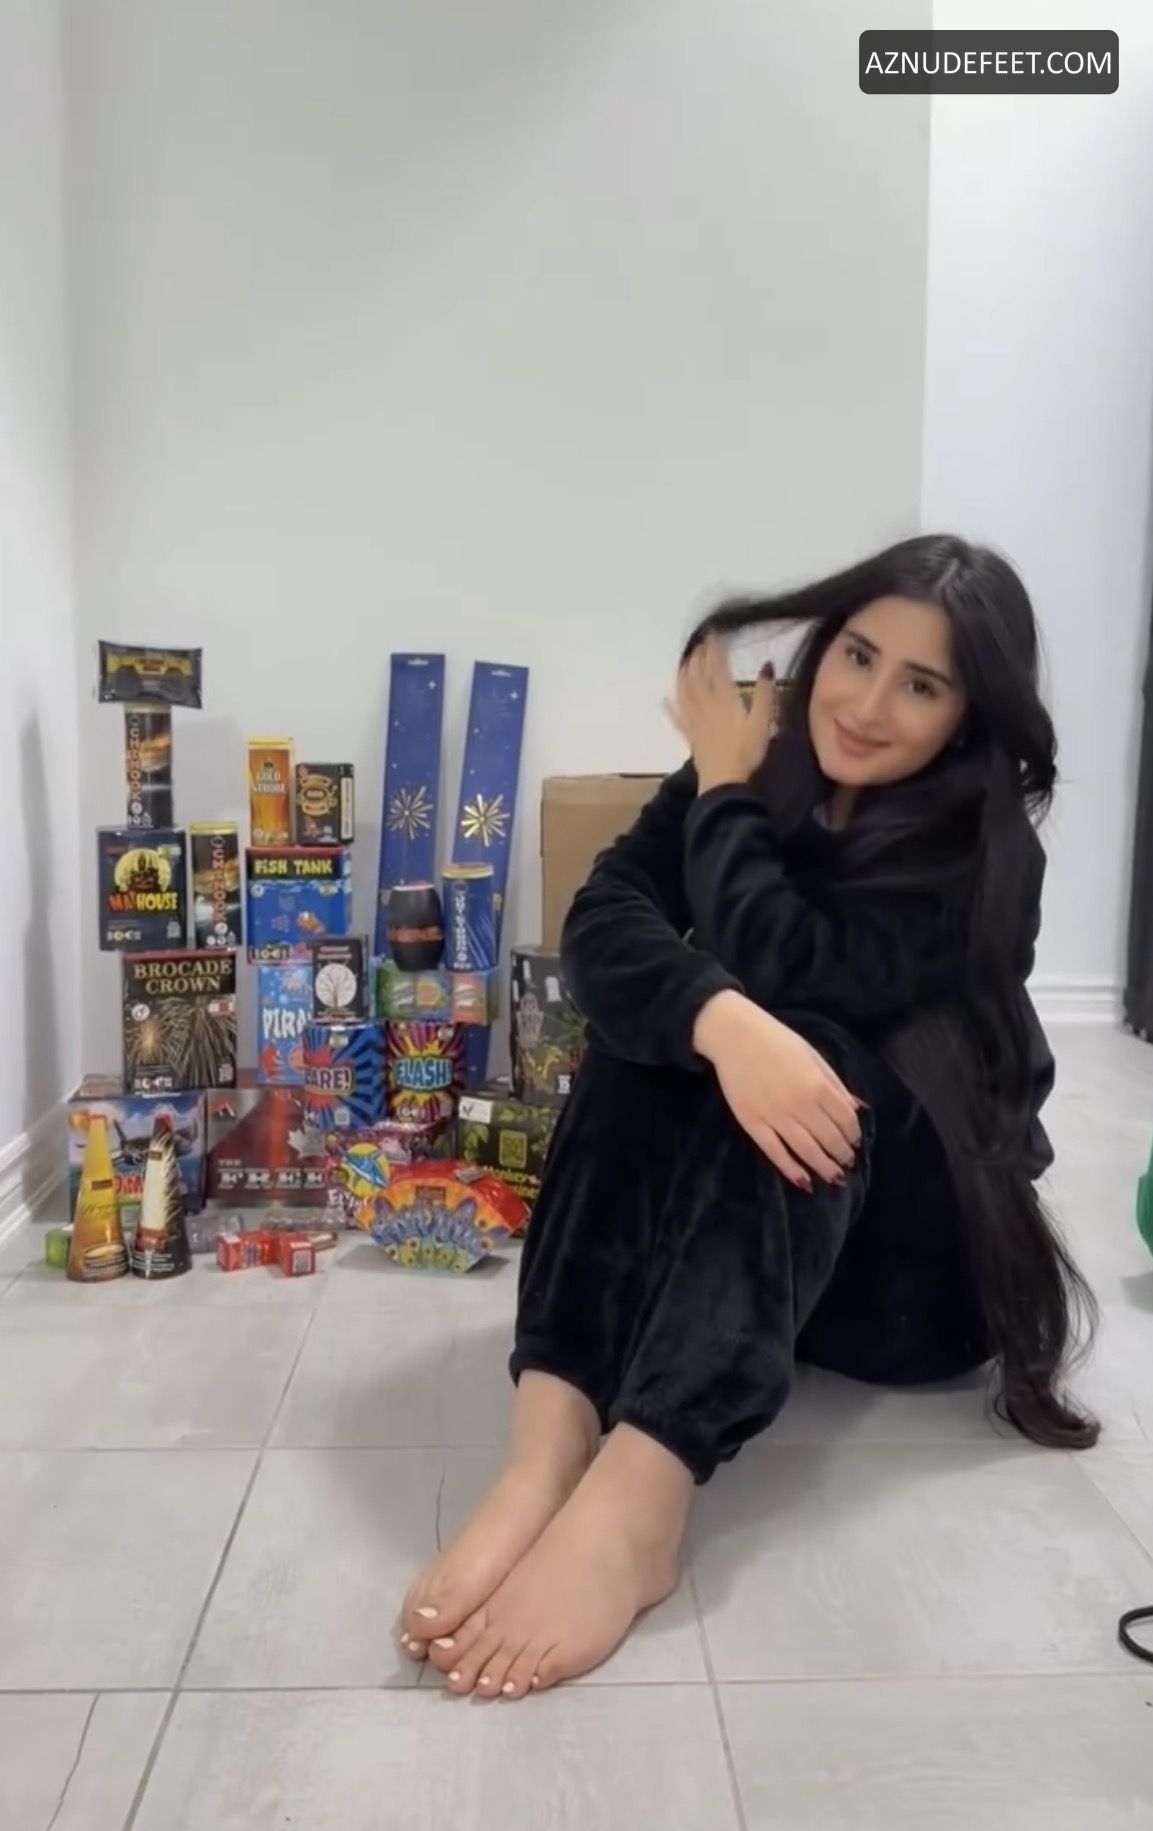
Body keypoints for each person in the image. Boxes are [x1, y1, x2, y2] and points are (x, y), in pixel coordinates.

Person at [397, 532, 1099, 1702]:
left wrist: (721, 795)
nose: (864, 705)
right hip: (764, 1271)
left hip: (910, 1281)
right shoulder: (765, 753)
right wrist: (714, 1018)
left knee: (804, 1046)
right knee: (654, 1028)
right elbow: (602, 920)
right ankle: (549, 1444)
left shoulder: (985, 853)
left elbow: (794, 963)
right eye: (858, 655)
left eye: (919, 685)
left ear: (967, 720)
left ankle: (638, 1503)